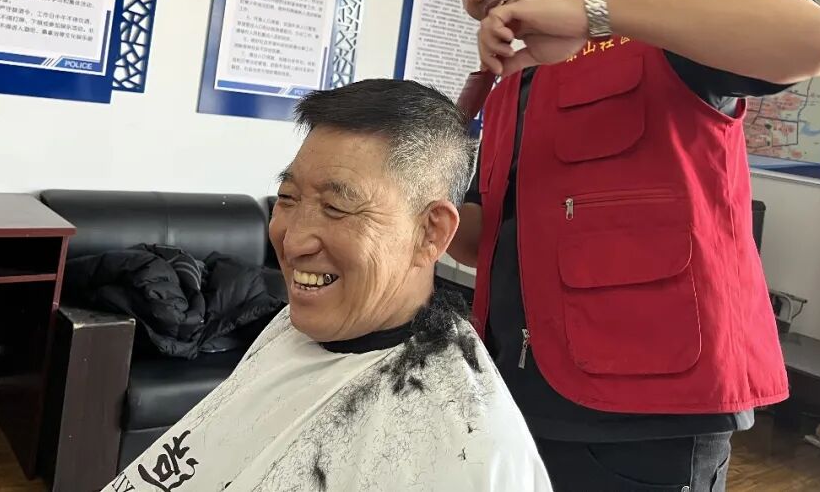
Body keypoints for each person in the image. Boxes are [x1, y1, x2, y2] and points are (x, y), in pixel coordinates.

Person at [408, 0, 820, 492]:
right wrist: (406, 200)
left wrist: (593, 13)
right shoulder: (509, 82)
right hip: (519, 397)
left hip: (646, 416)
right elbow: (486, 239)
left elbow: (813, 38)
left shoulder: (664, 7)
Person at [102, 79, 553, 492]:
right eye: (288, 198)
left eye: (337, 207)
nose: (292, 241)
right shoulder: (293, 326)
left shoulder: (469, 450)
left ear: (430, 233)